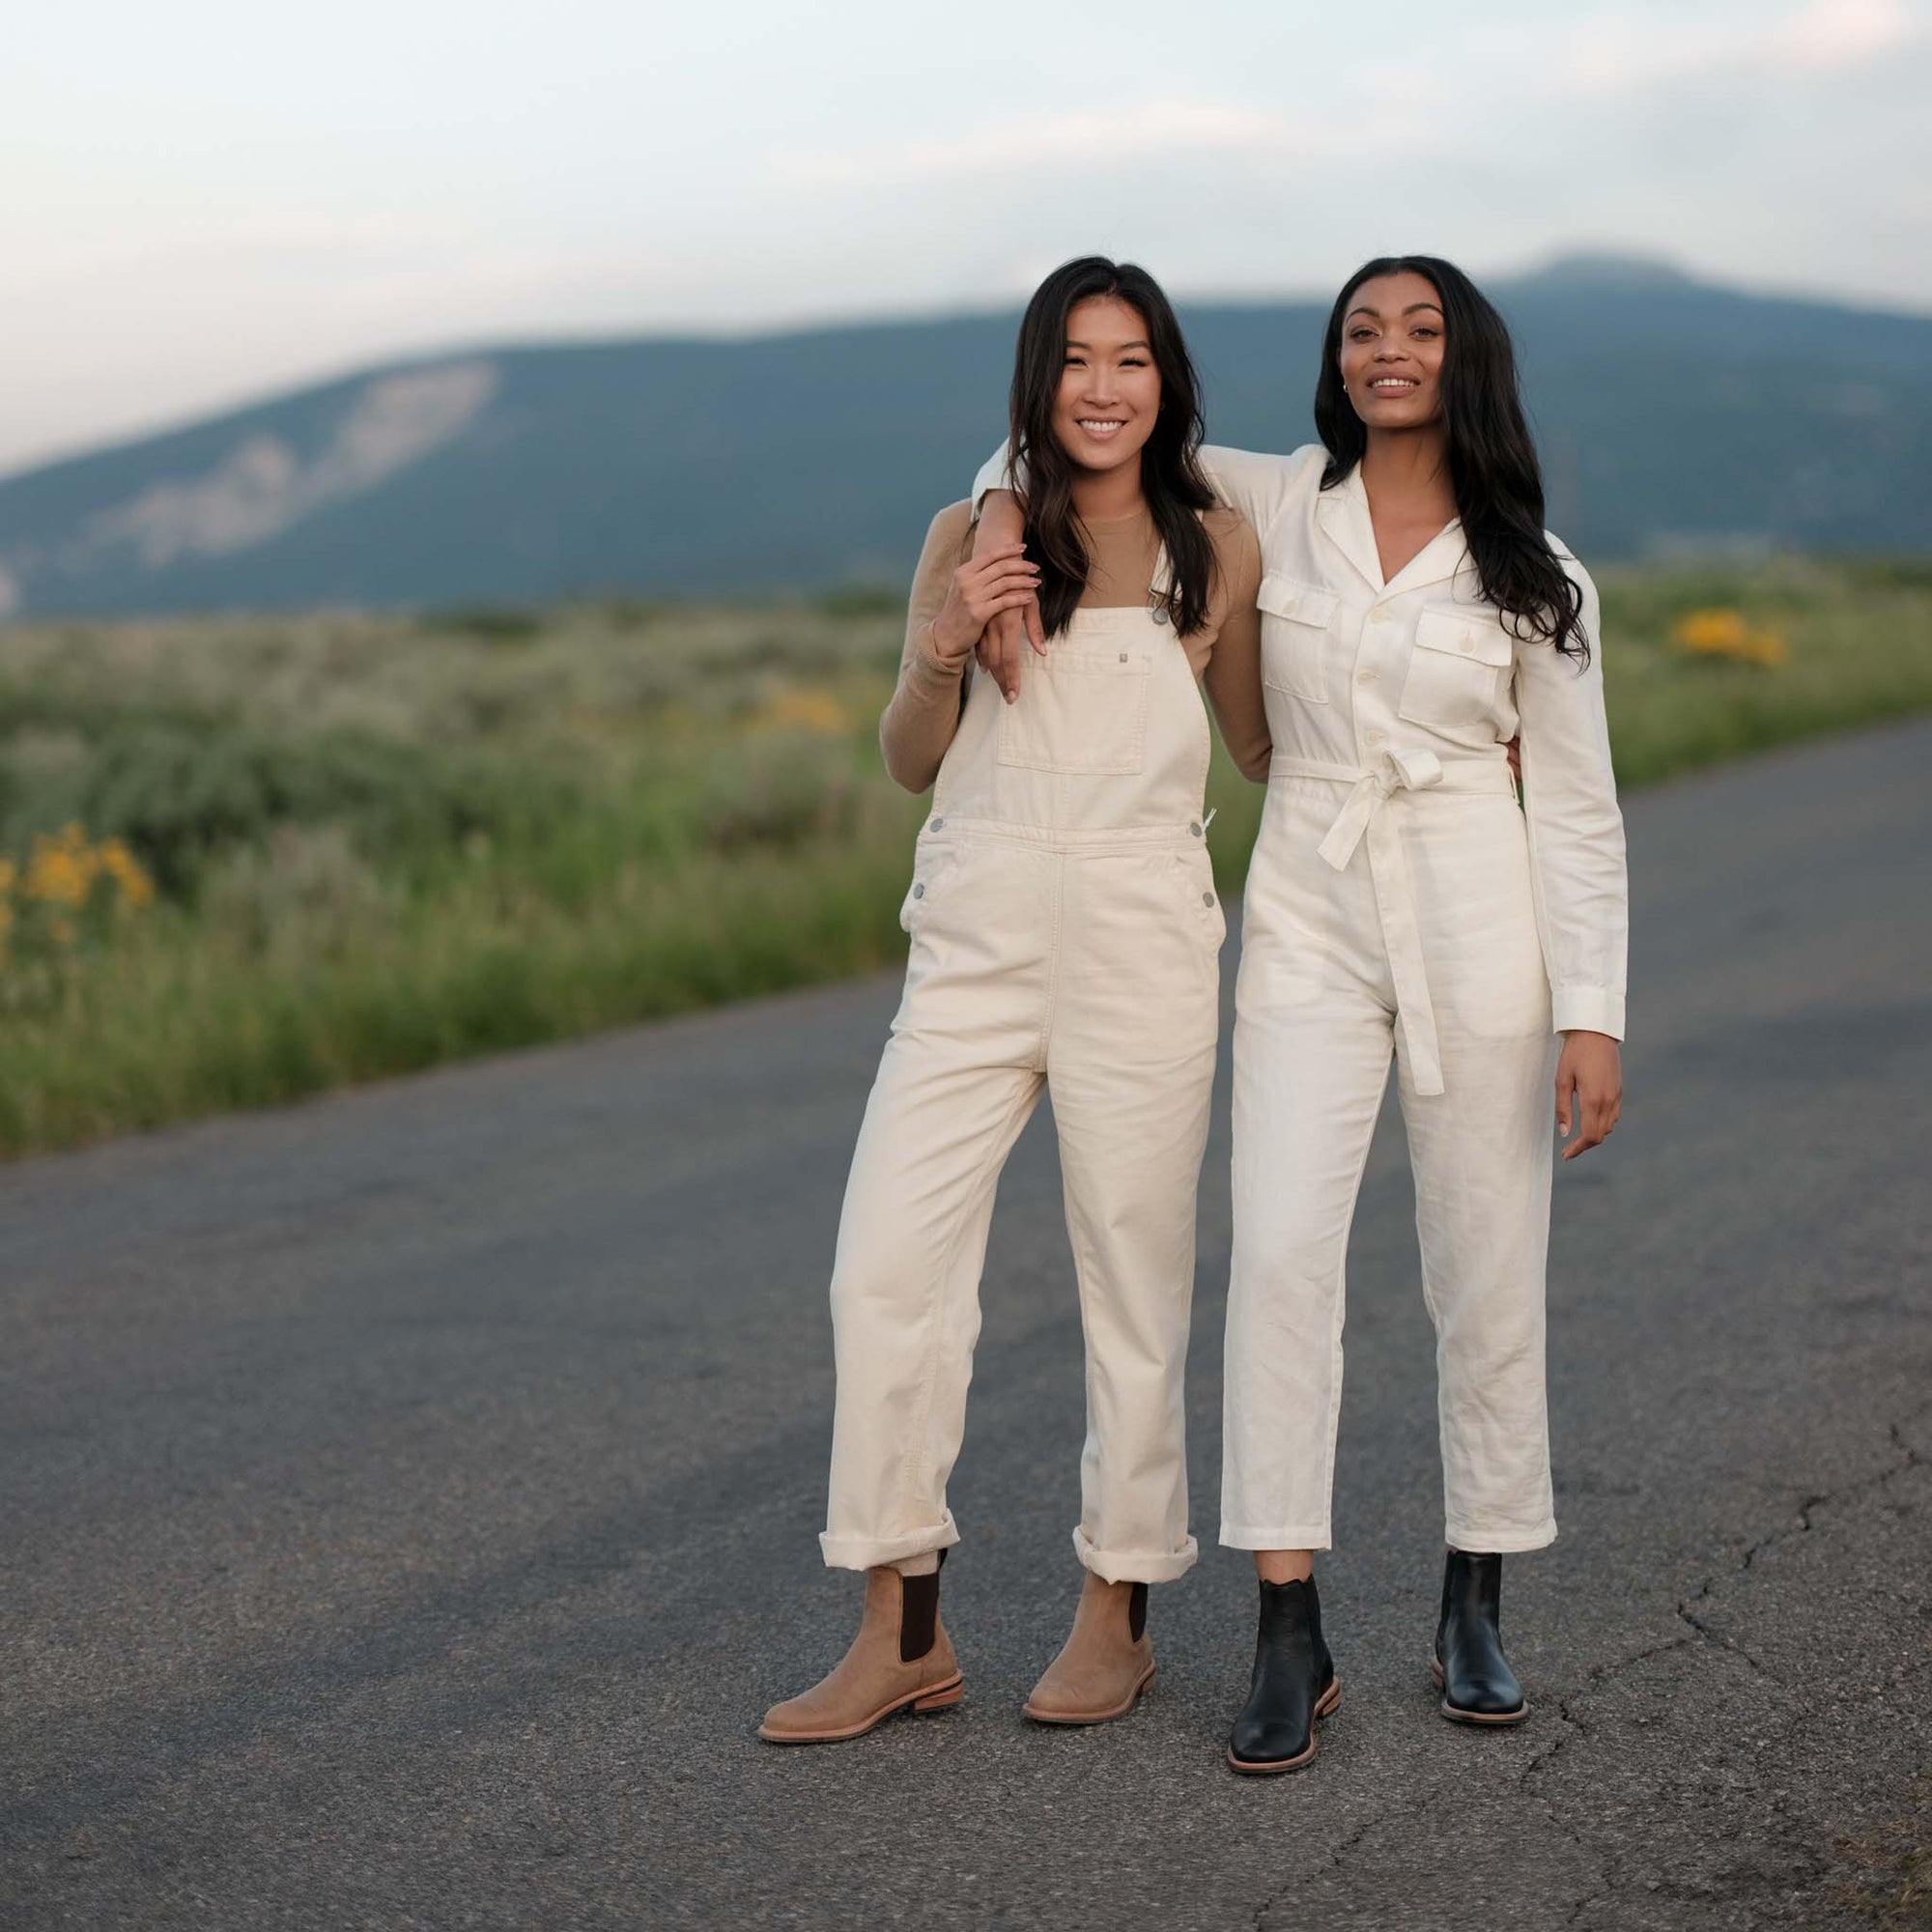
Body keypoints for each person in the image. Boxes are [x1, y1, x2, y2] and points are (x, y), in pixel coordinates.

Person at [967, 255, 1627, 1773]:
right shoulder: (1273, 496)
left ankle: (1476, 1600)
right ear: (1336, 361)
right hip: (1313, 897)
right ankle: (1289, 1623)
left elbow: (1578, 813)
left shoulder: (1541, 572)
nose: (1389, 351)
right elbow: (1062, 440)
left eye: (1421, 329)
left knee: (1485, 1260)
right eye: (1362, 329)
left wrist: (1592, 1012)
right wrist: (1001, 524)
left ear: (1465, 361)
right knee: (1275, 1251)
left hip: (1479, 899)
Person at [758, 257, 1266, 1745]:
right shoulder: (965, 531)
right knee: (884, 1273)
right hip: (973, 937)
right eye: (1076, 361)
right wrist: (942, 638)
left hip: (1139, 933)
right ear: (1037, 380)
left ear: (1165, 382)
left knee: (1134, 1286)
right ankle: (902, 1629)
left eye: (1133, 361)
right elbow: (910, 756)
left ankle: (1119, 1608)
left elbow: (1257, 745)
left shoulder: (1215, 544)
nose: (1103, 388)